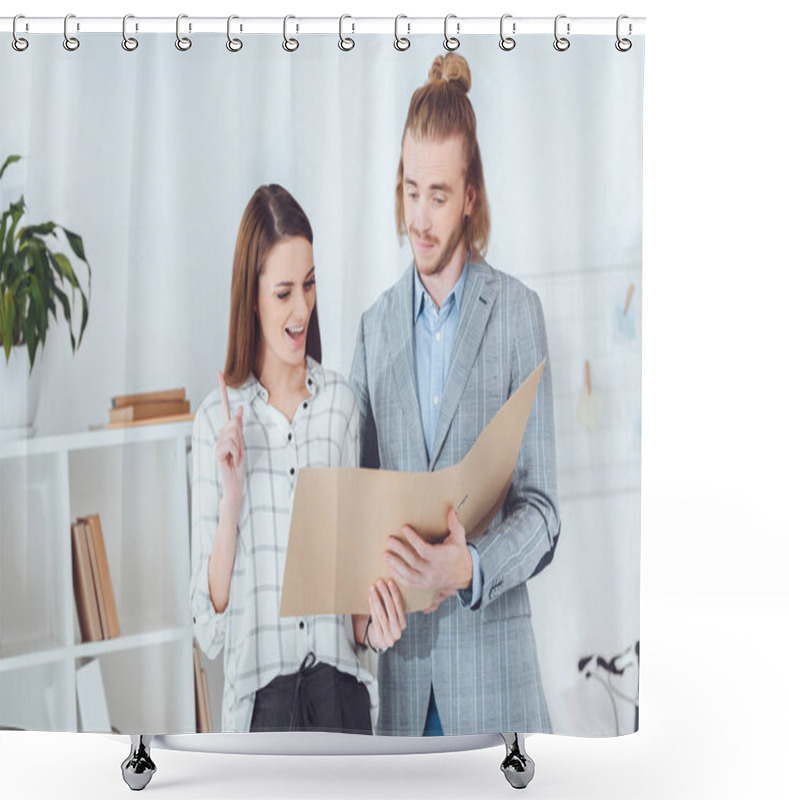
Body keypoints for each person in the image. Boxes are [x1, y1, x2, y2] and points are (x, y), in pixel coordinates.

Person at [349, 53, 561, 736]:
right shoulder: (373, 330)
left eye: (438, 195)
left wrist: (467, 565)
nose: (420, 216)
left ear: (471, 195)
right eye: (411, 190)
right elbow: (357, 515)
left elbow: (543, 512)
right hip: (405, 694)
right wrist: (362, 607)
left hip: (495, 686)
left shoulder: (518, 316)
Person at [190, 184, 403, 733]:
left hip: (343, 700)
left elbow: (357, 608)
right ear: (251, 297)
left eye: (308, 286)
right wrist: (232, 498)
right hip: (262, 710)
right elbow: (208, 630)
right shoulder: (216, 423)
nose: (302, 308)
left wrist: (379, 625)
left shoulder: (343, 407)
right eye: (283, 292)